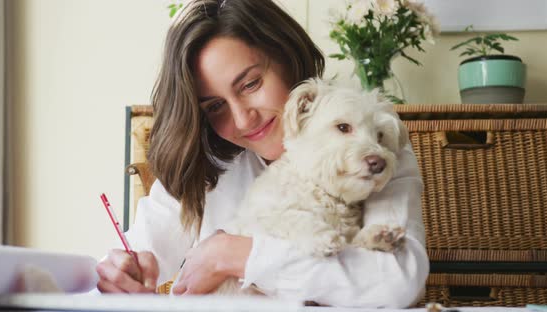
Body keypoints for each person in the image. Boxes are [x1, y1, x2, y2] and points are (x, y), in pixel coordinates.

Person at [95, 0, 429, 307]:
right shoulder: (205, 162)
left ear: (287, 56)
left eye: (251, 84)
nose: (242, 119)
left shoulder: (369, 143)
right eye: (214, 106)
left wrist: (235, 255)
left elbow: (397, 281)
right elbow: (132, 258)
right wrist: (120, 273)